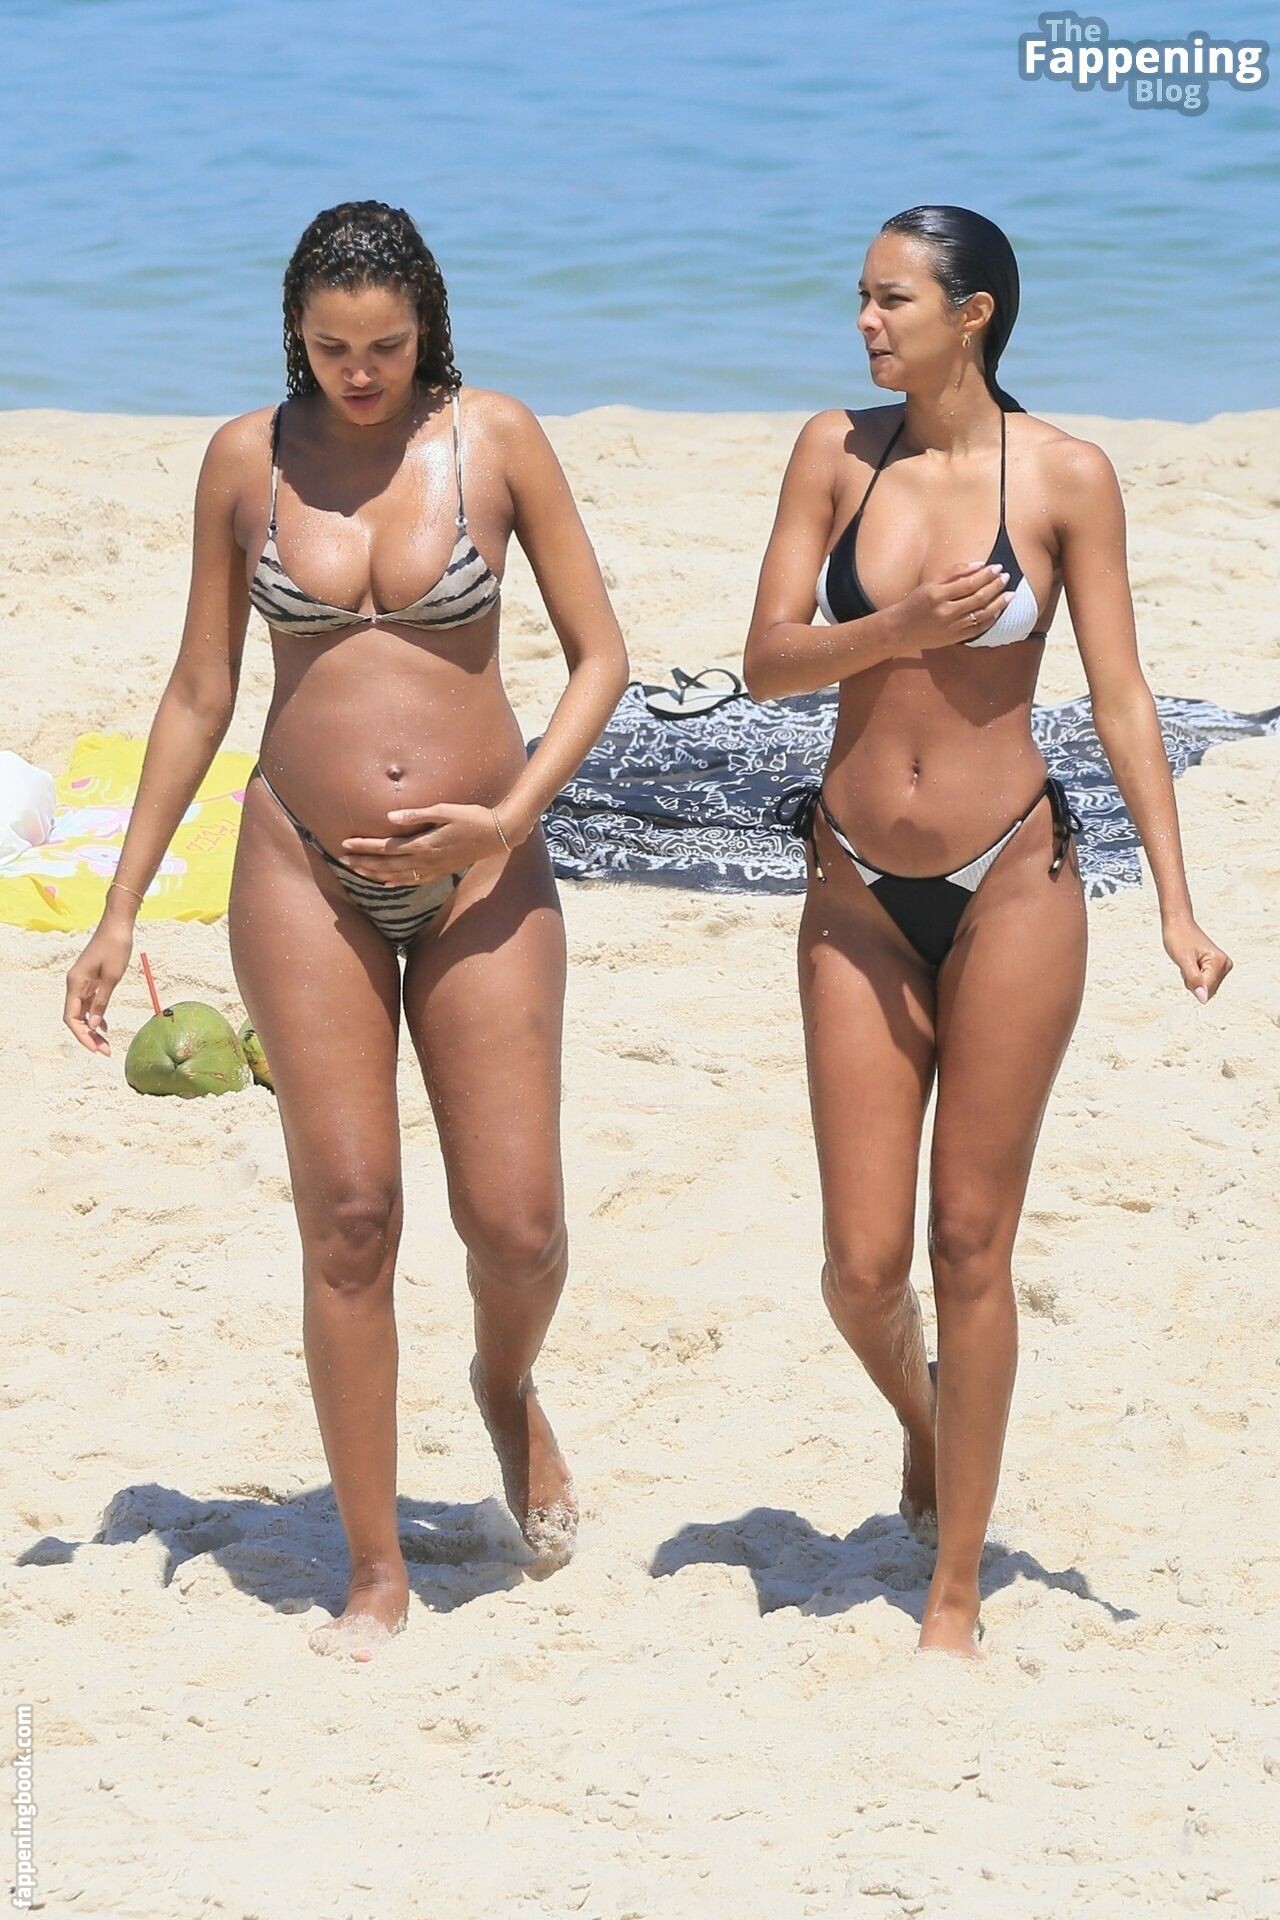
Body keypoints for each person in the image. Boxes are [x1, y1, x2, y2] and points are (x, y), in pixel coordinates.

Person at [63, 200, 629, 1661]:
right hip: (299, 866)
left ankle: (503, 1385)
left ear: (427, 327)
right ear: (294, 338)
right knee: (352, 1216)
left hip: (485, 867)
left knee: (517, 1225)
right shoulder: (245, 461)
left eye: (385, 347)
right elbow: (201, 689)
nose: (360, 375)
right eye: (332, 350)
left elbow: (601, 658)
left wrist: (506, 818)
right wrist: (121, 908)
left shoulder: (496, 440)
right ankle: (374, 1570)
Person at [742, 205, 1232, 1659]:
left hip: (1015, 874)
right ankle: (927, 1418)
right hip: (853, 890)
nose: (865, 322)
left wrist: (1175, 897)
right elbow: (768, 664)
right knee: (859, 1267)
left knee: (969, 1238)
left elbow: (1122, 694)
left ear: (975, 315)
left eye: (892, 300)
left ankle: (953, 1590)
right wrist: (893, 630)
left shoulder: (1066, 476)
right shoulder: (837, 454)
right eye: (860, 297)